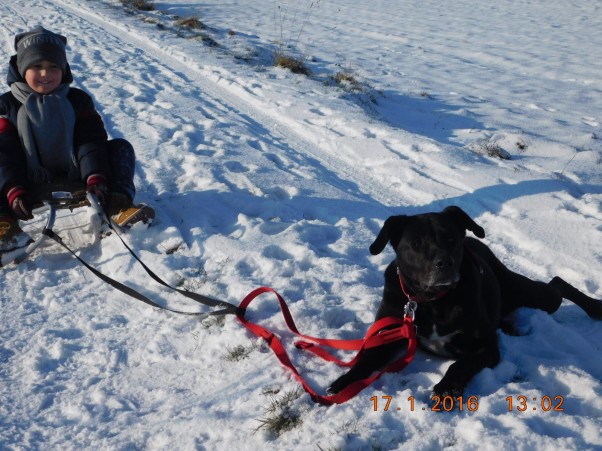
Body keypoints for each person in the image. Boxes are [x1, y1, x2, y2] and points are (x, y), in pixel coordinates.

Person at [0, 26, 154, 251]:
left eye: (54, 67)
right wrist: (13, 190)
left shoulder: (77, 100)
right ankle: (4, 225)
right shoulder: (6, 105)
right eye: (37, 66)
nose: (45, 74)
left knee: (120, 148)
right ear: (22, 68)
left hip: (78, 175)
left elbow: (90, 141)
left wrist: (96, 177)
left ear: (64, 69)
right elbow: (5, 152)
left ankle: (117, 207)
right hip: (25, 182)